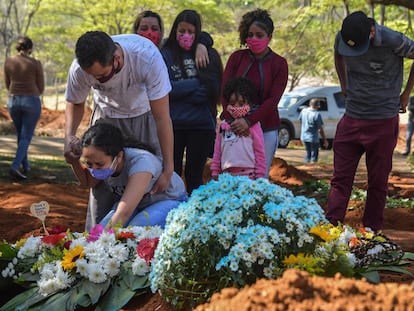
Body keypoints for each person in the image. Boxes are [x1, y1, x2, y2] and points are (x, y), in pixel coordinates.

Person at [64, 31, 173, 230]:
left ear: (117, 58)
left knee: (145, 181)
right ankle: (94, 246)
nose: (98, 80)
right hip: (105, 118)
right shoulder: (79, 68)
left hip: (144, 116)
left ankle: (141, 244)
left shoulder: (146, 57)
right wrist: (69, 135)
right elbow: (76, 102)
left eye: (102, 75)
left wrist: (168, 167)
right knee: (101, 183)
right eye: (93, 77)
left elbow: (162, 117)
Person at [326, 11, 414, 232]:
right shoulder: (343, 38)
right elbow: (338, 54)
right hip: (352, 117)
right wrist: (343, 84)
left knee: (378, 181)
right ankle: (330, 228)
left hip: (383, 120)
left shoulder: (393, 39)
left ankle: (371, 232)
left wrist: (406, 94)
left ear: (372, 32)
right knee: (340, 179)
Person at [67, 122, 187, 228]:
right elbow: (88, 182)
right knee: (100, 230)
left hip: (169, 201)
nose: (94, 169)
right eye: (89, 164)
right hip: (138, 205)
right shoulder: (105, 160)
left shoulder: (142, 163)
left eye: (99, 164)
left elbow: (124, 212)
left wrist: (100, 243)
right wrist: (74, 162)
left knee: (135, 230)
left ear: (119, 157)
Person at [161, 9, 223, 195]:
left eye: (191, 32)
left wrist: (181, 90)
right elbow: (165, 88)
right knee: (172, 175)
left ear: (197, 33)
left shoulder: (206, 53)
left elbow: (211, 89)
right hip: (173, 127)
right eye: (182, 31)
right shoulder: (165, 53)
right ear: (175, 30)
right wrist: (197, 83)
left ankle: (194, 216)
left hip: (201, 126)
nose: (186, 36)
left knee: (195, 176)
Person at [220, 8, 288, 176]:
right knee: (231, 173)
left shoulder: (279, 64)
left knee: (259, 176)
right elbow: (224, 92)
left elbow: (273, 100)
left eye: (259, 35)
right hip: (233, 126)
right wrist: (234, 121)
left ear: (269, 37)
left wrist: (249, 121)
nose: (253, 39)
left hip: (266, 128)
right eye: (250, 35)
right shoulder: (237, 58)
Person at [4, 36, 45, 180]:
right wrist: (33, 94)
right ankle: (15, 166)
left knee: (21, 135)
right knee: (26, 135)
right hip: (31, 100)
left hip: (13, 100)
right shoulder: (35, 63)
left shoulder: (9, 61)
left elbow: (7, 83)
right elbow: (41, 86)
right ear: (30, 48)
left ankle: (25, 165)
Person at [211, 77, 266, 179]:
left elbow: (260, 152)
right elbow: (217, 150)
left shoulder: (254, 126)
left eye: (241, 104)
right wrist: (215, 171)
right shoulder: (223, 125)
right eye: (232, 104)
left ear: (249, 104)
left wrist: (260, 175)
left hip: (249, 176)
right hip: (226, 176)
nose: (236, 107)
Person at [132, 10, 212, 68]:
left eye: (154, 29)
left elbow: (204, 35)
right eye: (144, 28)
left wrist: (201, 44)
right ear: (136, 31)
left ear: (161, 32)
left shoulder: (164, 50)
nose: (149, 33)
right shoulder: (126, 55)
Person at [298, 98, 329, 163]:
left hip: (304, 136)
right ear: (317, 106)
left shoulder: (303, 111)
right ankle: (313, 169)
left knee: (308, 153)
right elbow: (320, 129)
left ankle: (305, 168)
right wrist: (325, 140)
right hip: (313, 137)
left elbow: (300, 121)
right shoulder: (316, 114)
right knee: (314, 155)